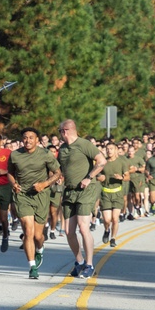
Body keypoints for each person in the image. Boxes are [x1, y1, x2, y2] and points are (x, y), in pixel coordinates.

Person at [7, 127, 62, 279]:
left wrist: (44, 184)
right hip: (22, 195)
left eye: (31, 137)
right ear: (21, 139)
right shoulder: (15, 155)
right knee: (28, 231)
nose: (28, 140)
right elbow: (10, 173)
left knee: (38, 236)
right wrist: (13, 184)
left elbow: (58, 173)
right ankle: (32, 267)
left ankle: (40, 249)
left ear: (37, 140)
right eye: (25, 137)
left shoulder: (45, 154)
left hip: (40, 196)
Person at [57, 119, 106, 279]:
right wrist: (59, 177)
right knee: (68, 231)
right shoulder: (62, 149)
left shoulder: (84, 144)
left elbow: (102, 161)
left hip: (85, 191)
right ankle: (79, 262)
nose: (60, 135)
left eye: (60, 132)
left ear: (65, 131)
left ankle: (90, 265)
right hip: (69, 191)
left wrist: (89, 177)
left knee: (83, 227)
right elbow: (62, 169)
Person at [98, 141, 129, 247]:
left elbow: (127, 177)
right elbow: (98, 175)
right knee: (107, 219)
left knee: (115, 218)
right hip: (106, 194)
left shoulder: (122, 162)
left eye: (111, 149)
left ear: (116, 150)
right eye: (107, 149)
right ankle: (107, 230)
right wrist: (100, 178)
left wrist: (122, 178)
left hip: (117, 193)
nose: (109, 151)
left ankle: (113, 238)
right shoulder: (103, 162)